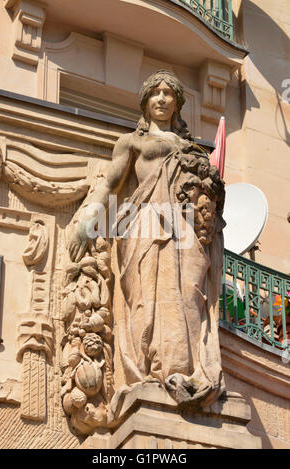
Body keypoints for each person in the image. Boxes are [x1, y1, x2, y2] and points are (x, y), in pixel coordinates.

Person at [69, 70, 225, 408]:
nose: (162, 99)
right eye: (156, 93)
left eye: (169, 94)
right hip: (146, 223)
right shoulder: (132, 142)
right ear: (145, 101)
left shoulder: (192, 150)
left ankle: (185, 368)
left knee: (188, 296)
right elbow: (110, 183)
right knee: (147, 297)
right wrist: (88, 220)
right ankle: (153, 368)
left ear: (178, 104)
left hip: (183, 231)